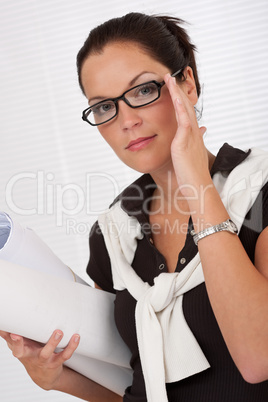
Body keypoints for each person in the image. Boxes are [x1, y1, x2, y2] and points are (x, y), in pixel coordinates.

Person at [1, 11, 268, 402]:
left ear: (187, 84)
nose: (126, 120)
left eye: (143, 91)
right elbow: (133, 386)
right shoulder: (113, 231)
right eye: (105, 107)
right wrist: (58, 378)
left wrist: (195, 182)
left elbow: (258, 357)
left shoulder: (259, 189)